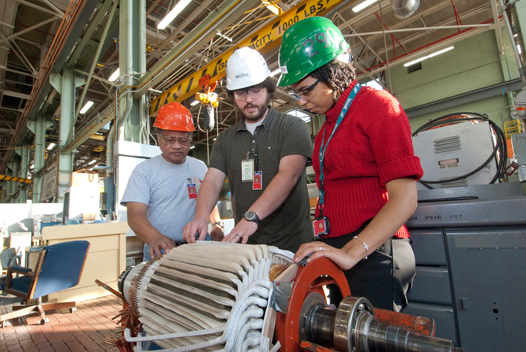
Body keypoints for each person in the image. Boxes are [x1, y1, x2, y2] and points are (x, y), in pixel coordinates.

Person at [278, 17, 424, 311]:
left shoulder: (380, 107)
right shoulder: (327, 128)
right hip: (346, 251)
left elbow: (405, 198)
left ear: (332, 72)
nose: (302, 101)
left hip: (374, 253)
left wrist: (352, 251)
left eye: (306, 90)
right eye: (296, 94)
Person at [183, 47, 314, 253]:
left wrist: (251, 217)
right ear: (233, 95)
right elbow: (212, 180)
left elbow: (289, 174)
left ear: (268, 89)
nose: (249, 99)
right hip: (246, 247)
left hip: (293, 245)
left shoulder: (291, 126)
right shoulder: (225, 139)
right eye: (241, 93)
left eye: (255, 90)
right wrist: (201, 216)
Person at [121, 102, 223, 261]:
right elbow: (135, 215)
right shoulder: (144, 171)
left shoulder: (199, 167)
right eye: (170, 140)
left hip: (198, 245)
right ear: (159, 138)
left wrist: (216, 223)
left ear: (190, 139)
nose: (176, 146)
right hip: (161, 249)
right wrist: (155, 238)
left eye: (183, 140)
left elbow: (208, 200)